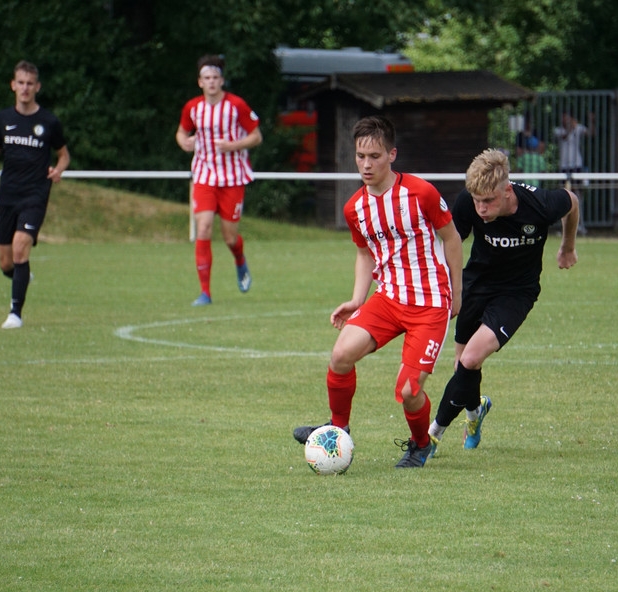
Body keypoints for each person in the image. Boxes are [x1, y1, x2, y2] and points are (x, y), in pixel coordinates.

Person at [292, 116, 464, 469]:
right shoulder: (354, 208)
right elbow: (364, 253)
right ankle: (338, 429)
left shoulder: (421, 193)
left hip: (430, 303)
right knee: (341, 355)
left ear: (391, 155)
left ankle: (421, 445)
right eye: (361, 156)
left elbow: (452, 239)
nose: (366, 164)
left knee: (409, 391)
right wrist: (357, 299)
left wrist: (456, 295)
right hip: (388, 298)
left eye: (375, 156)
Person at [427, 149, 579, 454]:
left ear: (507, 190)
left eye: (488, 201)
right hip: (476, 284)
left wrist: (567, 245)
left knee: (470, 359)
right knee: (462, 366)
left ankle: (430, 437)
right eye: (477, 201)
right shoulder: (468, 202)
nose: (481, 209)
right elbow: (451, 243)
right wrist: (448, 285)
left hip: (516, 292)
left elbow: (572, 202)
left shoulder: (540, 205)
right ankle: (475, 413)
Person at [0, 60, 70, 330]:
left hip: (35, 194)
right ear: (13, 85)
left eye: (30, 83)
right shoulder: (3, 119)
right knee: (6, 263)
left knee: (21, 247)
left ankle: (15, 314)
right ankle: (22, 276)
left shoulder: (49, 122)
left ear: (37, 87)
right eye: (20, 82)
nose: (25, 88)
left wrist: (58, 170)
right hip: (8, 194)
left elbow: (64, 155)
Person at [176, 54, 263, 306]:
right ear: (200, 82)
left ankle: (239, 260)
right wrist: (185, 143)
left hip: (233, 177)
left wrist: (233, 145)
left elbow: (256, 136)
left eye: (215, 77)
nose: (211, 82)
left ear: (222, 81)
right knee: (203, 228)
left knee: (229, 238)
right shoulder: (193, 108)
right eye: (207, 78)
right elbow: (181, 133)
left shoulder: (236, 105)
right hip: (204, 175)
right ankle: (205, 293)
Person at [553, 111, 593, 234]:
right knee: (564, 196)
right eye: (563, 118)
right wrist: (572, 128)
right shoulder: (558, 130)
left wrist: (591, 120)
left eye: (567, 118)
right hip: (564, 167)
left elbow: (591, 133)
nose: (565, 121)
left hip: (577, 166)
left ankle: (580, 225)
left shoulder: (578, 128)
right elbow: (564, 137)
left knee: (578, 196)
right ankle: (564, 228)